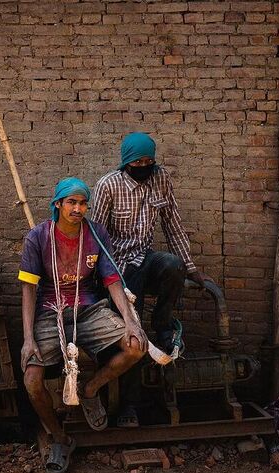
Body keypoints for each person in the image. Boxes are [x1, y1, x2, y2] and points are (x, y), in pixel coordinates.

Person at [19, 177, 147, 473]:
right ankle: (60, 439)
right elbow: (28, 290)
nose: (78, 209)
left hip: (89, 311)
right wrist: (28, 338)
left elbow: (112, 279)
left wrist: (130, 321)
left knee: (136, 347)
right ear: (58, 205)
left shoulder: (95, 234)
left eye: (82, 203)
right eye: (71, 203)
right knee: (31, 381)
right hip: (50, 313)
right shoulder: (38, 237)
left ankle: (90, 390)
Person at [91, 131, 207, 427]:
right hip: (118, 268)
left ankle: (164, 325)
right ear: (126, 162)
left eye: (149, 160)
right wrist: (102, 278)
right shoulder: (109, 186)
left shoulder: (160, 179)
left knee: (173, 265)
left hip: (144, 256)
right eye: (138, 161)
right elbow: (98, 237)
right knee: (133, 333)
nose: (144, 165)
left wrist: (191, 267)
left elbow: (173, 223)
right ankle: (129, 405)